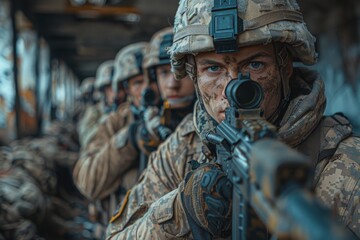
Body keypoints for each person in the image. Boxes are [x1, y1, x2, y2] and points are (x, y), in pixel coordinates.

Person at [105, 0, 360, 239]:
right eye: (213, 68)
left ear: (285, 66)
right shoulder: (182, 147)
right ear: (193, 75)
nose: (232, 88)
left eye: (255, 65)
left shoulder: (347, 162)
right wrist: (182, 211)